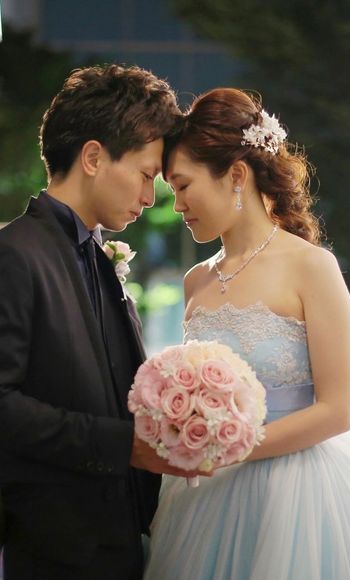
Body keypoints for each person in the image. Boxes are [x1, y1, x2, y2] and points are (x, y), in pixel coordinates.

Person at [144, 87, 350, 580]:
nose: (176, 205)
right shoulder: (196, 279)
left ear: (236, 175)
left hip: (301, 493)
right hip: (206, 498)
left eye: (182, 186)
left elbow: (338, 409)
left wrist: (225, 449)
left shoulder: (311, 266)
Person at [0, 64, 205, 580]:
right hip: (54, 547)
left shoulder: (98, 254)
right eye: (145, 175)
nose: (149, 197)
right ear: (93, 157)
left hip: (120, 535)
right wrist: (123, 444)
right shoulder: (14, 254)